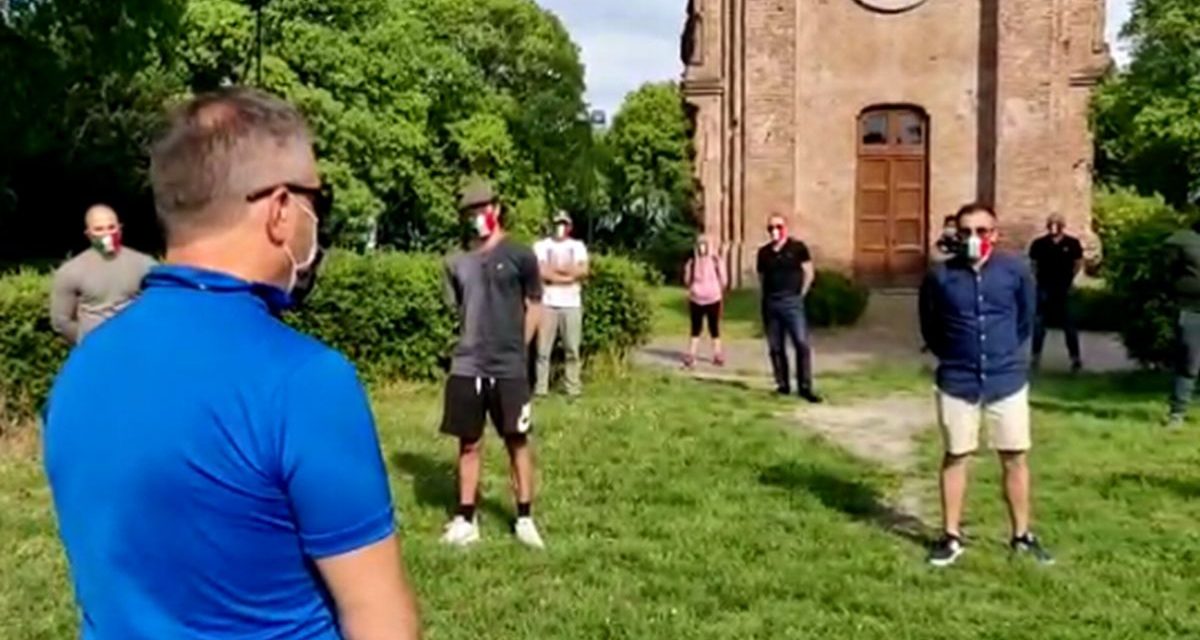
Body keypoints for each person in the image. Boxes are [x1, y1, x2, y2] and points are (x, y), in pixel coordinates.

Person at [43, 88, 420, 639]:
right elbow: (380, 619)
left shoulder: (78, 371)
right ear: (281, 210)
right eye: (319, 199)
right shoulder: (307, 382)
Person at [919, 202, 1053, 567]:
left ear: (995, 234)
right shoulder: (940, 277)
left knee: (1014, 457)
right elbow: (930, 327)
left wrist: (1004, 353)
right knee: (956, 455)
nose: (973, 238)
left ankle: (1022, 536)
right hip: (957, 379)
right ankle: (950, 536)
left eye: (981, 231)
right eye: (966, 232)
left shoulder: (1015, 271)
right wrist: (956, 355)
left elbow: (1026, 319)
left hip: (1005, 379)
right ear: (956, 234)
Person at [441, 178, 546, 549]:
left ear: (496, 209)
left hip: (509, 366)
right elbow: (457, 309)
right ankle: (465, 519)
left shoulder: (521, 256)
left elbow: (535, 304)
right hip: (468, 364)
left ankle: (524, 517)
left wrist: (520, 347)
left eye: (482, 209)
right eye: (469, 212)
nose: (477, 217)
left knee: (517, 440)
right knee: (469, 443)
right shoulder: (456, 262)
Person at [49, 204, 156, 344]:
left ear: (120, 229)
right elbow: (61, 321)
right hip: (95, 350)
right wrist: (89, 343)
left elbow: (159, 306)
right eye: (99, 229)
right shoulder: (71, 271)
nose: (107, 233)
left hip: (137, 344)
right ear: (88, 234)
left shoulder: (145, 265)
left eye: (111, 227)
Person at [757, 213, 822, 403]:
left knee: (801, 344)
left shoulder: (797, 248)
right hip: (771, 303)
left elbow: (809, 273)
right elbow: (762, 278)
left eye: (778, 227)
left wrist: (799, 295)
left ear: (786, 228)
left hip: (792, 302)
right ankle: (782, 384)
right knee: (776, 347)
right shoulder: (764, 253)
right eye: (771, 228)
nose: (774, 231)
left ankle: (805, 387)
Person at [533, 211, 589, 397]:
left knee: (572, 349)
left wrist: (556, 272)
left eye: (564, 223)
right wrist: (568, 276)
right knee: (543, 350)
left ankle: (573, 388)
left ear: (570, 226)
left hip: (572, 304)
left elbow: (582, 270)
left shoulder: (578, 246)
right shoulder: (541, 246)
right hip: (547, 304)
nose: (560, 227)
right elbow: (541, 272)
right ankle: (541, 389)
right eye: (558, 223)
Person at [1029, 213, 1084, 372]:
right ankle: (1035, 356)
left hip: (1063, 287)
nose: (1054, 227)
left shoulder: (1072, 243)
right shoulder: (1039, 244)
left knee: (1069, 325)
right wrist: (1036, 280)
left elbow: (1078, 262)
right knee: (1039, 324)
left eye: (1057, 224)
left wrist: (1072, 279)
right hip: (1045, 286)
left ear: (1062, 225)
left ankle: (1075, 358)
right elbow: (1033, 263)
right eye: (1051, 224)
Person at [1165, 219, 1200, 426]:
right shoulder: (1182, 241)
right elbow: (1168, 273)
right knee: (1189, 361)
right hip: (1192, 309)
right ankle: (1177, 413)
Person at [683, 234, 726, 368]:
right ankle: (691, 354)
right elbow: (687, 280)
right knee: (696, 327)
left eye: (704, 244)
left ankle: (717, 354)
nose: (702, 247)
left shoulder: (715, 260)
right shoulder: (692, 261)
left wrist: (718, 288)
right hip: (696, 299)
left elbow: (723, 278)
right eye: (700, 245)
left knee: (714, 327)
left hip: (713, 298)